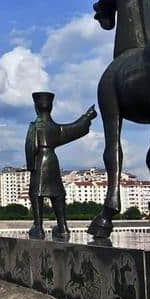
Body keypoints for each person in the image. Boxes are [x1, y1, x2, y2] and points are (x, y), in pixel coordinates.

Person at [25, 92, 97, 240]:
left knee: (36, 193)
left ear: (36, 107)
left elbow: (30, 147)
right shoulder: (55, 128)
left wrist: (31, 165)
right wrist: (87, 117)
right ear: (50, 107)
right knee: (57, 193)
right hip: (52, 161)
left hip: (40, 161)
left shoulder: (35, 126)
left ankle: (38, 227)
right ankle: (63, 226)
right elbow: (74, 129)